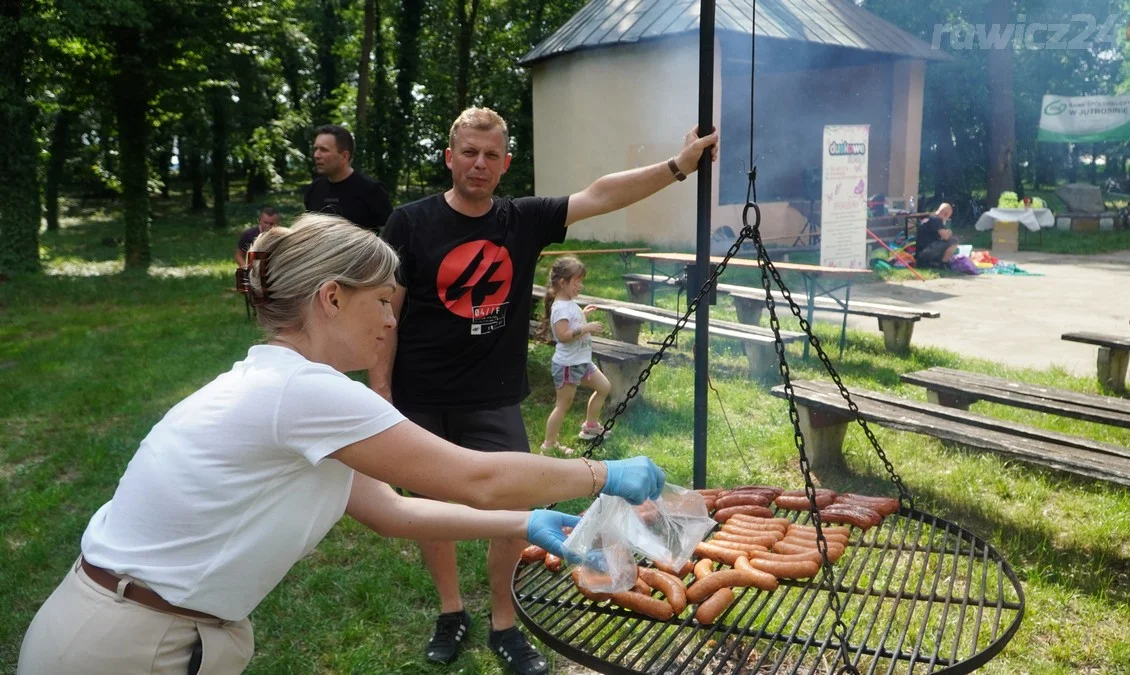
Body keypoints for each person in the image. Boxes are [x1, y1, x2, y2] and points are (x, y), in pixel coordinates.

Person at [16, 214, 666, 675]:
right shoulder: (304, 392)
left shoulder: (284, 388)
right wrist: (601, 471)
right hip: (126, 648)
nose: (392, 319)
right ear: (331, 297)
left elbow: (392, 512)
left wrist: (524, 520)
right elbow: (474, 476)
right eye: (382, 301)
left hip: (125, 630)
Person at [371, 106, 717, 674]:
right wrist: (380, 388)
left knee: (517, 506)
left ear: (505, 163)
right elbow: (388, 312)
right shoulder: (409, 223)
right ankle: (450, 610)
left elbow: (602, 194)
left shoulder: (521, 220)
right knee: (430, 509)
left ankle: (503, 622)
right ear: (449, 157)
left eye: (490, 156)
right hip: (420, 393)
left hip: (494, 394)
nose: (478, 164)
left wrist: (678, 167)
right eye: (468, 153)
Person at [538, 256, 610, 454]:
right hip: (568, 365)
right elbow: (562, 336)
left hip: (581, 361)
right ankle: (549, 445)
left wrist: (582, 315)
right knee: (563, 405)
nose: (581, 285)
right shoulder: (560, 307)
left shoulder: (569, 303)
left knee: (604, 387)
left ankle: (590, 427)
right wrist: (586, 328)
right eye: (577, 281)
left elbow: (572, 324)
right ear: (563, 282)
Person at [304, 125, 393, 231]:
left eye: (324, 150)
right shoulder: (314, 189)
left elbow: (390, 236)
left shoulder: (371, 190)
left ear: (344, 156)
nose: (316, 155)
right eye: (316, 149)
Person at [915, 203, 958, 268]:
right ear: (946, 214)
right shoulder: (936, 220)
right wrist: (949, 233)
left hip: (920, 253)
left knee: (943, 243)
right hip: (926, 252)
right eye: (948, 216)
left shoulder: (929, 218)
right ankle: (943, 263)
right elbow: (946, 237)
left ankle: (932, 263)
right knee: (954, 240)